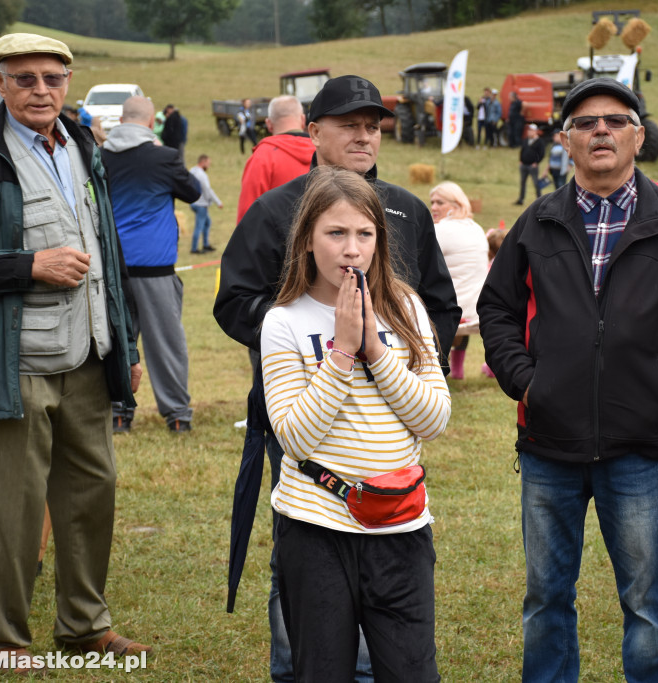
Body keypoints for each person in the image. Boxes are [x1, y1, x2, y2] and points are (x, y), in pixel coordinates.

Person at [477, 77, 658, 682]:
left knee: (646, 604)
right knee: (544, 601)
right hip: (549, 445)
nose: (601, 131)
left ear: (639, 137)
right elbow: (497, 309)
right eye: (586, 122)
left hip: (641, 445)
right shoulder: (535, 222)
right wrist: (526, 381)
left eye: (615, 121)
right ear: (566, 140)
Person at [214, 74, 459, 683]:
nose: (363, 136)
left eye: (373, 126)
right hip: (306, 416)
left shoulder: (404, 208)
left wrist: (390, 359)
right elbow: (233, 300)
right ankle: (295, 664)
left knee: (400, 628)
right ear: (314, 132)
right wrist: (307, 341)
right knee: (308, 559)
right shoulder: (277, 210)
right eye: (349, 124)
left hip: (391, 437)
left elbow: (436, 306)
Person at [0, 33, 146, 671]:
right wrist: (28, 266)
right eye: (23, 79)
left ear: (68, 82)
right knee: (12, 508)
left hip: (89, 358)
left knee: (92, 495)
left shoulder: (82, 143)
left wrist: (124, 342)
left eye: (51, 77)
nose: (39, 90)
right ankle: (3, 641)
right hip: (9, 359)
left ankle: (84, 627)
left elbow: (107, 247)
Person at [262, 165, 449, 681]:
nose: (351, 250)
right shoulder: (285, 322)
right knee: (323, 671)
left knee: (412, 672)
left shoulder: (406, 307)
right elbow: (295, 438)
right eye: (336, 233)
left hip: (401, 525)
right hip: (316, 527)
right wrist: (342, 352)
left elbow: (434, 419)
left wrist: (375, 349)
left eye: (364, 234)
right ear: (306, 240)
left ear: (379, 241)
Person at [102, 95, 201, 433]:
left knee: (116, 341)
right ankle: (176, 417)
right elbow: (193, 192)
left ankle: (117, 414)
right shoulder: (163, 157)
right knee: (166, 345)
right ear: (149, 123)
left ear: (120, 119)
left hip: (111, 267)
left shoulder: (97, 158)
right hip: (155, 266)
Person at [429, 181, 487, 380]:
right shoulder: (477, 228)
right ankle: (458, 370)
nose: (433, 207)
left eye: (439, 203)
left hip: (452, 312)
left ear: (455, 206)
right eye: (432, 202)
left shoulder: (441, 231)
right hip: (477, 310)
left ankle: (437, 371)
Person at [236, 94, 314, 223]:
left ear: (268, 124)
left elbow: (247, 217)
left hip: (276, 240)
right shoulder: (324, 154)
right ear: (303, 119)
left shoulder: (261, 158)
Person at [188, 154, 223, 254]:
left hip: (193, 202)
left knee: (207, 222)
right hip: (201, 204)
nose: (208, 166)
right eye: (208, 163)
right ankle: (194, 249)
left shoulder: (192, 171)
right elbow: (207, 190)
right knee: (199, 226)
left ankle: (206, 244)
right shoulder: (202, 175)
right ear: (203, 162)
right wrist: (217, 202)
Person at [514, 124, 545, 205]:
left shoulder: (539, 142)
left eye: (531, 130)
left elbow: (542, 154)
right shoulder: (526, 140)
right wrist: (520, 160)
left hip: (532, 166)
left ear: (535, 131)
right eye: (529, 130)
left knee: (535, 183)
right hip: (524, 165)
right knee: (522, 183)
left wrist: (536, 163)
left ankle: (539, 200)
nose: (529, 132)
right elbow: (522, 150)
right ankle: (521, 199)